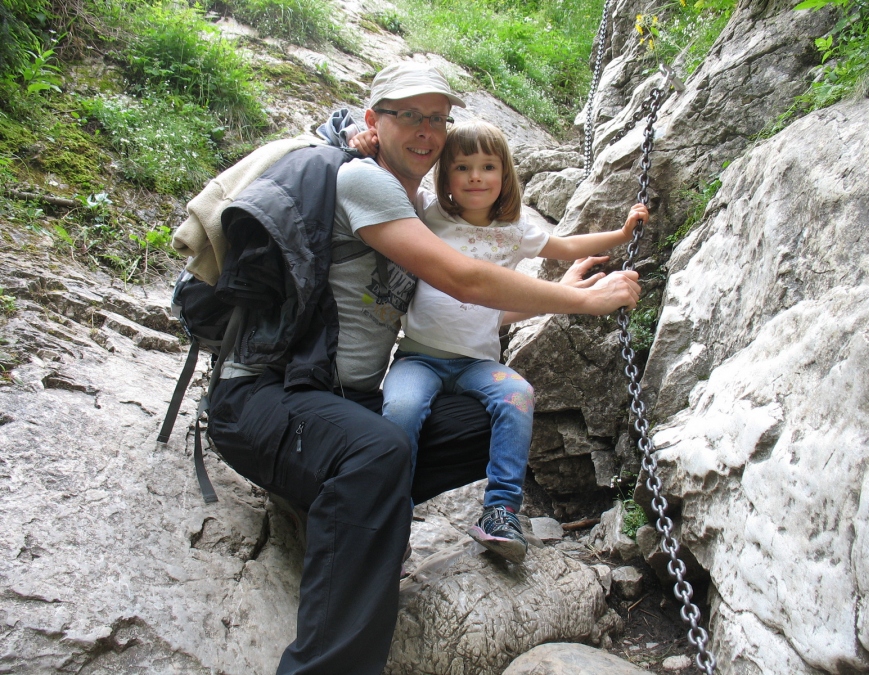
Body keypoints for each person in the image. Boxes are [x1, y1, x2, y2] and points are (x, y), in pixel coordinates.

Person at [206, 61, 642, 675]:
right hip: (265, 396)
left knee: (495, 418)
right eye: (407, 114)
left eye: (436, 118)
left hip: (334, 407)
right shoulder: (365, 181)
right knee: (380, 449)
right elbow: (460, 277)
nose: (425, 130)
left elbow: (461, 311)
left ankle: (357, 514)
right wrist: (583, 300)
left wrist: (561, 282)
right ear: (373, 120)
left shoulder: (412, 201)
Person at [366, 120, 649, 564]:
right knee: (400, 409)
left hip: (478, 361)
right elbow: (387, 183)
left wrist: (622, 235)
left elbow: (566, 245)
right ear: (446, 178)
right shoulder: (428, 214)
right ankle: (391, 514)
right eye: (462, 167)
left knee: (518, 393)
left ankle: (500, 511)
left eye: (487, 166)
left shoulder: (516, 229)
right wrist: (367, 143)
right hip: (419, 356)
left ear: (505, 175)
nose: (475, 176)